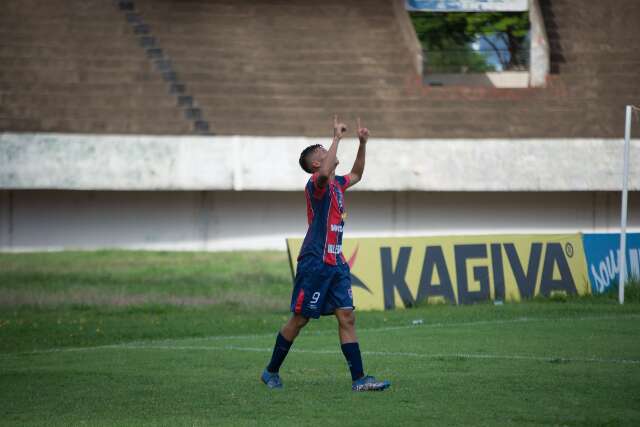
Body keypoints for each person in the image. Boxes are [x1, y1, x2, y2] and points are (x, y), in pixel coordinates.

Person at [260, 115, 391, 391]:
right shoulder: (316, 185)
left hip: (336, 262)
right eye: (322, 153)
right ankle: (271, 371)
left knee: (347, 316)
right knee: (300, 318)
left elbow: (357, 174)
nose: (328, 153)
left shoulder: (338, 184)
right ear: (317, 163)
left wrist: (362, 144)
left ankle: (359, 379)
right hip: (315, 263)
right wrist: (336, 138)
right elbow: (322, 174)